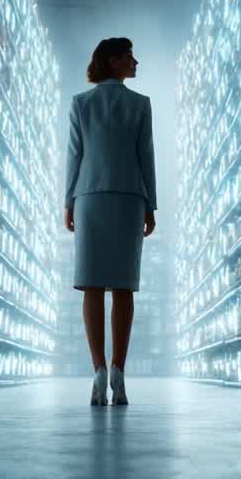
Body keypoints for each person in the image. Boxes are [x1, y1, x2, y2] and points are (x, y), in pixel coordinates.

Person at [64, 37, 156, 406]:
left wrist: (68, 202)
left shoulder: (80, 103)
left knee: (91, 285)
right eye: (130, 56)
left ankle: (98, 370)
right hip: (129, 198)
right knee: (123, 287)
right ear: (113, 61)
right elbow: (145, 157)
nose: (136, 62)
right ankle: (119, 370)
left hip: (89, 197)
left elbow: (74, 156)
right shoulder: (141, 104)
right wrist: (151, 205)